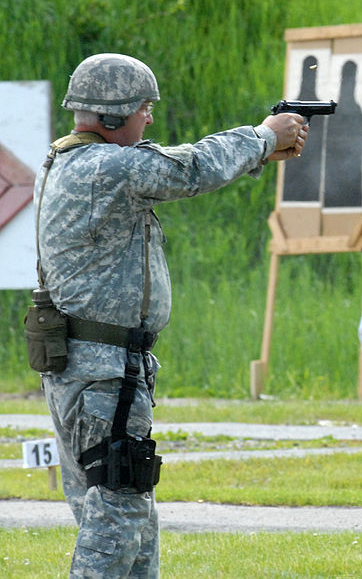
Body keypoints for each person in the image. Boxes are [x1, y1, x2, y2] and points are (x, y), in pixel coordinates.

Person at [34, 52, 308, 578]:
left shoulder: (72, 160)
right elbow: (188, 168)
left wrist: (258, 151)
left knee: (129, 520)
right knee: (117, 519)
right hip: (105, 372)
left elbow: (172, 170)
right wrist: (263, 136)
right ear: (114, 117)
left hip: (87, 364)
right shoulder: (109, 165)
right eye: (143, 108)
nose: (149, 119)